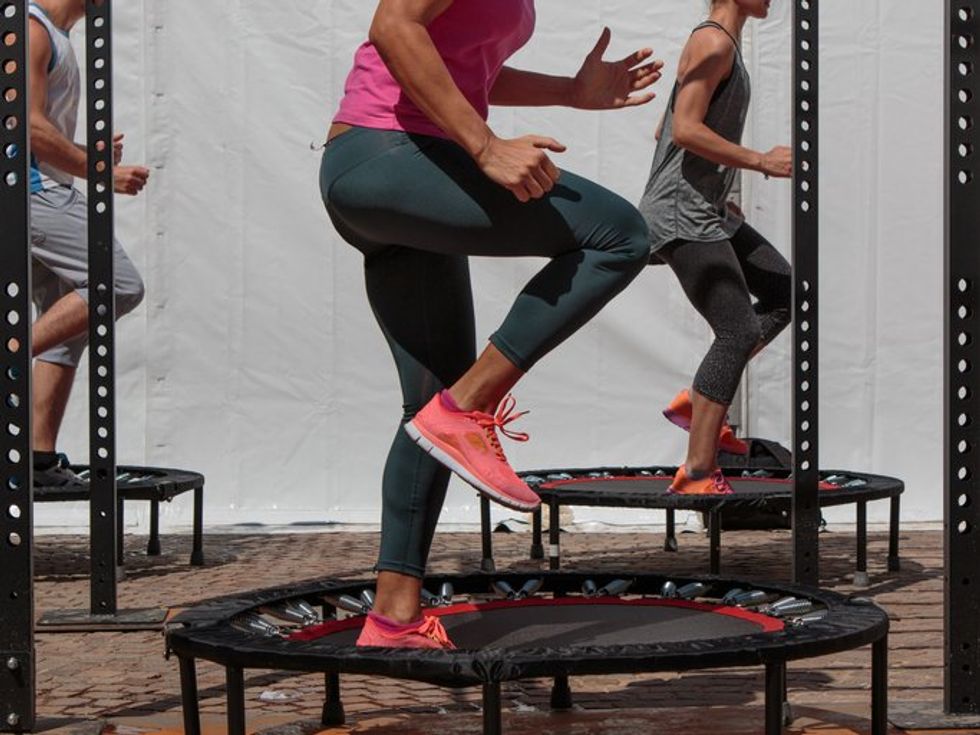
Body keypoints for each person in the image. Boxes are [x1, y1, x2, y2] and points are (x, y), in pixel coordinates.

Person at [321, 0, 662, 648]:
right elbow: (394, 27)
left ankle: (393, 614)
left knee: (427, 408)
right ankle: (470, 406)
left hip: (389, 176)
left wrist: (570, 92)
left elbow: (467, 67)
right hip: (388, 156)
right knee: (617, 235)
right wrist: (483, 144)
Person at [638, 0, 791, 495]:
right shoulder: (713, 41)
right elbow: (684, 128)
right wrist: (759, 161)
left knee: (785, 293)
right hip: (681, 214)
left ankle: (694, 404)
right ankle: (698, 471)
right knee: (736, 330)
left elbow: (668, 128)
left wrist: (717, 190)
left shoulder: (723, 45)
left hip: (704, 208)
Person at [27, 0, 149, 487]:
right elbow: (28, 127)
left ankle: (37, 462)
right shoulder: (30, 30)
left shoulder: (55, 36)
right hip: (33, 194)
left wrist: (87, 155)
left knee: (68, 322)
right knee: (118, 285)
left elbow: (45, 128)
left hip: (44, 189)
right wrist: (103, 171)